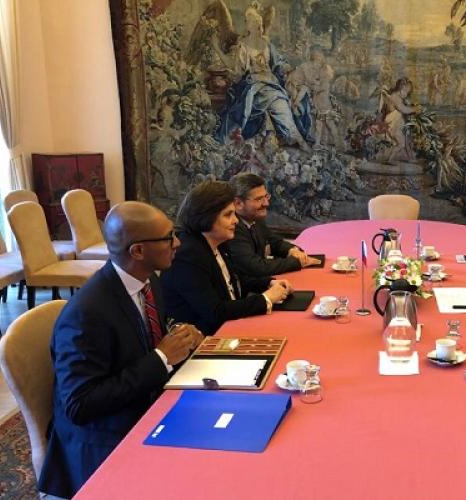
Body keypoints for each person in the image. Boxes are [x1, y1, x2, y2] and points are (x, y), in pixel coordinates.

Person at [38, 202, 204, 498]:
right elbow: (80, 405)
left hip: (143, 403)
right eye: (168, 237)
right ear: (137, 251)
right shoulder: (87, 313)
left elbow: (143, 334)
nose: (177, 243)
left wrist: (179, 335)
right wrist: (162, 358)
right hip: (103, 441)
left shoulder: (147, 280)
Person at [161, 181, 292, 335]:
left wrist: (269, 283)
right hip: (205, 339)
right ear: (206, 217)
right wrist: (265, 299)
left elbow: (234, 279)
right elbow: (215, 311)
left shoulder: (217, 241)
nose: (235, 220)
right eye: (228, 215)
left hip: (230, 328)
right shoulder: (187, 255)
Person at [214, 5, 312, 151]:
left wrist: (286, 69)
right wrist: (218, 51)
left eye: (249, 21)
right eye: (248, 21)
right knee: (276, 102)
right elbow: (239, 71)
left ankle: (296, 138)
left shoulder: (266, 44)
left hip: (271, 84)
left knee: (281, 103)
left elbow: (278, 63)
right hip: (254, 87)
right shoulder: (243, 45)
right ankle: (298, 139)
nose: (247, 23)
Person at [227, 173, 320, 277]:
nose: (266, 203)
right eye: (259, 199)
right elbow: (256, 267)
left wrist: (292, 250)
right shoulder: (232, 228)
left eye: (266, 196)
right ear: (238, 203)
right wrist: (297, 262)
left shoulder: (256, 219)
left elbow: (275, 242)